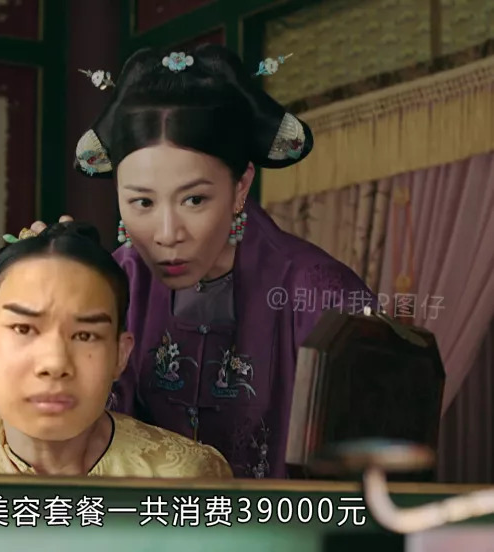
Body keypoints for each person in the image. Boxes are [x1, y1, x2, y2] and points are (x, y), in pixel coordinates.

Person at [28, 45, 377, 478]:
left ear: (240, 186)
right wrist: (50, 296)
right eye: (142, 202)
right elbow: (65, 445)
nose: (167, 232)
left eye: (194, 199)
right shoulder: (113, 285)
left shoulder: (323, 294)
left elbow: (367, 481)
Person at [0, 222, 232, 478]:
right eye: (24, 329)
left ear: (120, 354)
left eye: (85, 335)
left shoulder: (179, 477)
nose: (55, 363)